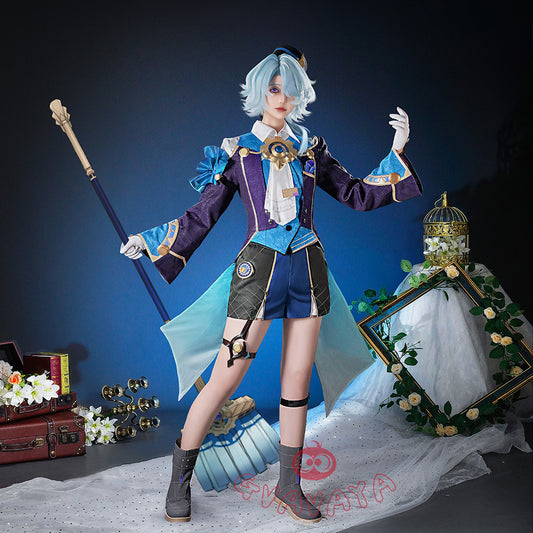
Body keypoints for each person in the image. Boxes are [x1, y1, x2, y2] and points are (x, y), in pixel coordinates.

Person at [120, 45, 422, 524]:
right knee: (225, 378)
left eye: (290, 90)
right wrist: (149, 240)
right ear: (259, 91)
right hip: (257, 272)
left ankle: (289, 485)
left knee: (297, 381)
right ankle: (179, 481)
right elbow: (202, 215)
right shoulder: (238, 150)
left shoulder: (311, 148)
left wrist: (397, 153)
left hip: (308, 270)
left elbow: (355, 194)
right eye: (274, 88)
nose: (282, 98)